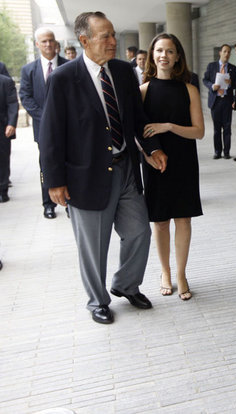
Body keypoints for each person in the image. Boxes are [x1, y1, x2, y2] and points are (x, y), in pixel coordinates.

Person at [38, 11, 167, 324]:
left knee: (139, 232)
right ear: (84, 41)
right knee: (94, 248)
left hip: (125, 171)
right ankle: (97, 300)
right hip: (86, 177)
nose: (113, 41)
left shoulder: (123, 73)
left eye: (112, 34)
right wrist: (54, 182)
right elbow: (51, 135)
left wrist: (152, 147)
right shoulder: (64, 79)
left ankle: (126, 285)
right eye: (105, 36)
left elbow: (137, 118)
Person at [140, 33, 204, 300]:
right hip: (155, 162)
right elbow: (136, 133)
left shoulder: (189, 89)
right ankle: (165, 272)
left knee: (183, 218)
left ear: (178, 56)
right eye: (159, 51)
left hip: (184, 160)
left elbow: (198, 132)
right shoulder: (142, 90)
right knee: (160, 221)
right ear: (152, 56)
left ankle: (181, 274)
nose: (163, 55)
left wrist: (168, 126)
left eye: (169, 51)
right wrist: (147, 156)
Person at [19, 27, 68, 219]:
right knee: (46, 166)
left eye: (51, 40)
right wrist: (47, 118)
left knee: (69, 163)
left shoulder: (69, 65)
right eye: (44, 41)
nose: (48, 44)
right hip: (43, 130)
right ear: (37, 44)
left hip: (69, 129)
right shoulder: (28, 70)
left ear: (56, 43)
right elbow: (26, 97)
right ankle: (48, 204)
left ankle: (69, 203)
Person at [202, 44, 236, 159]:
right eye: (225, 51)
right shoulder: (211, 66)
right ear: (220, 53)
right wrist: (212, 86)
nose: (227, 54)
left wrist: (231, 83)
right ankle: (217, 152)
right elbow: (204, 79)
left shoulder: (233, 68)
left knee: (227, 128)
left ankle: (226, 152)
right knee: (217, 129)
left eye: (229, 52)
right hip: (215, 101)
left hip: (227, 100)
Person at [0, 73, 18, 203]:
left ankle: (2, 190)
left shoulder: (6, 82)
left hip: (2, 127)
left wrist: (11, 123)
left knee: (2, 158)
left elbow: (12, 103)